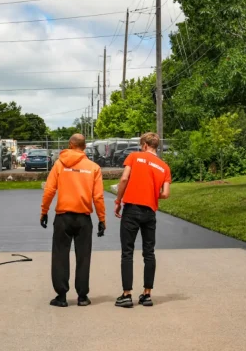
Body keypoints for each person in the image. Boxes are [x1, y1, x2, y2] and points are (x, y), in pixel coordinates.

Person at [40, 134, 106, 307]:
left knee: (60, 256)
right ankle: (82, 297)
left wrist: (44, 211)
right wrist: (101, 219)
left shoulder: (59, 164)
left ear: (70, 145)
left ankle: (61, 297)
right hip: (84, 218)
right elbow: (98, 197)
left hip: (63, 217)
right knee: (83, 257)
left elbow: (49, 190)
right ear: (84, 147)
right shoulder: (93, 168)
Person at [113, 132, 171, 308]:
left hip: (132, 209)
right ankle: (147, 294)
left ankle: (126, 294)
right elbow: (166, 194)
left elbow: (124, 178)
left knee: (127, 252)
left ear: (145, 145)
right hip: (149, 212)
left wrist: (118, 201)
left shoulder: (134, 157)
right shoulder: (164, 167)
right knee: (149, 252)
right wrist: (152, 193)